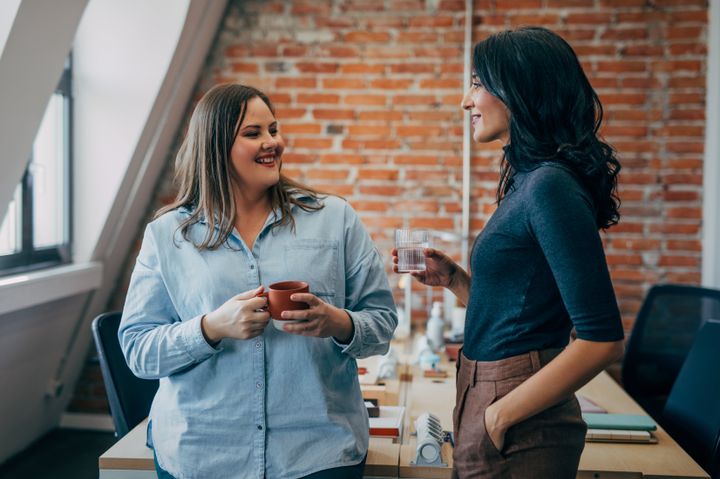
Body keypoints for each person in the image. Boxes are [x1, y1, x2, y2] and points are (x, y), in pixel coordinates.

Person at [119, 83, 397, 479]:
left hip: (318, 455)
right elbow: (137, 350)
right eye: (254, 134)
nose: (274, 142)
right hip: (202, 454)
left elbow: (383, 322)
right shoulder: (168, 235)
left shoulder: (335, 218)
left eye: (273, 129)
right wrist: (210, 328)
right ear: (215, 147)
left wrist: (336, 322)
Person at [392, 26, 625, 478]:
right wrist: (456, 280)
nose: (466, 101)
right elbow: (520, 317)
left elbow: (603, 341)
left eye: (478, 84)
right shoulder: (529, 181)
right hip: (488, 393)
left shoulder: (549, 186)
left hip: (515, 412)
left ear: (519, 91)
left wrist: (497, 417)